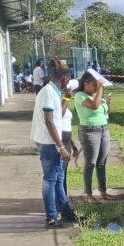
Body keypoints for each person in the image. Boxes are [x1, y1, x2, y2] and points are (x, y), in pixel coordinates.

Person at [31, 58, 78, 228]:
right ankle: (51, 217)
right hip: (49, 143)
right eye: (68, 81)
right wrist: (61, 146)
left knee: (59, 178)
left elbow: (59, 115)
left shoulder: (54, 92)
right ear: (64, 79)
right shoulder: (48, 92)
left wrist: (67, 98)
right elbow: (49, 121)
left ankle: (65, 211)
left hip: (52, 141)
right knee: (50, 180)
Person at [74, 69, 115, 203]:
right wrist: (101, 89)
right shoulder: (80, 95)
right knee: (90, 163)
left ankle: (103, 191)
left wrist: (108, 102)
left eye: (98, 85)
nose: (97, 88)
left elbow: (105, 113)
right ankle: (89, 194)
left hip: (103, 130)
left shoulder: (96, 95)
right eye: (95, 85)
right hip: (89, 131)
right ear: (86, 84)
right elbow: (94, 107)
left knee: (101, 163)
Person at [61, 79, 80, 197]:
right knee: (60, 174)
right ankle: (60, 200)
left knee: (63, 173)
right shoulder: (60, 101)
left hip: (67, 141)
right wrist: (66, 98)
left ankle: (63, 198)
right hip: (61, 142)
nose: (73, 93)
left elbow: (66, 125)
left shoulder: (64, 102)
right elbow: (59, 116)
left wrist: (73, 144)